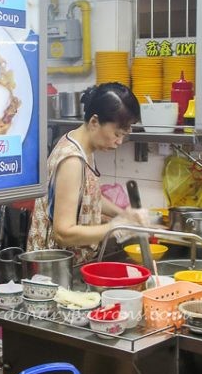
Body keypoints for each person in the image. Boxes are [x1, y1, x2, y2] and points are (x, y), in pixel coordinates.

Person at [27, 82, 148, 265]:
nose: (119, 141)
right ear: (94, 122)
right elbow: (63, 233)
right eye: (117, 134)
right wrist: (114, 228)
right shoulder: (72, 161)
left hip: (71, 264)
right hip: (54, 268)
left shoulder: (83, 146)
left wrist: (123, 215)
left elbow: (90, 196)